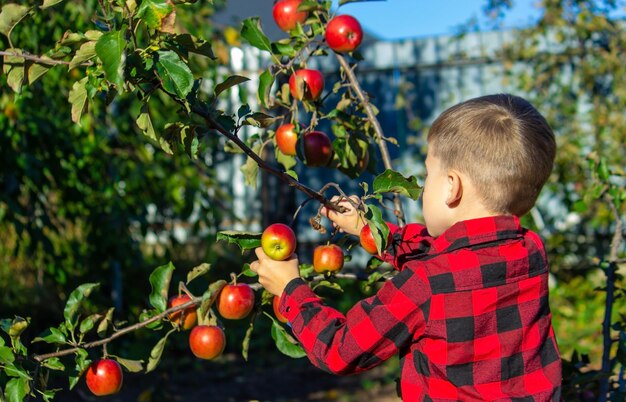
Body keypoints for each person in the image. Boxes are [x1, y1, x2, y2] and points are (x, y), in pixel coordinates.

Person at [250, 94, 562, 401]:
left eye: (429, 174)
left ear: (452, 187)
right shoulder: (531, 250)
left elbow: (340, 350)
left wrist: (290, 289)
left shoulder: (425, 283)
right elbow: (448, 254)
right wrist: (368, 230)